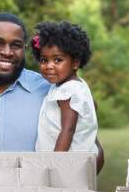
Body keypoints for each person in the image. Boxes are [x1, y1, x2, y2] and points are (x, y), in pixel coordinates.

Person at [0, 13, 104, 172]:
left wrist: (72, 173)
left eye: (16, 45)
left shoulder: (52, 89)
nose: (7, 52)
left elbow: (87, 136)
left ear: (24, 49)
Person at [32, 21, 98, 155]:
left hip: (64, 165)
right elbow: (93, 106)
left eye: (57, 60)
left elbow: (68, 130)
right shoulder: (77, 85)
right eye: (44, 60)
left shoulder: (67, 90)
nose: (49, 66)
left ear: (75, 63)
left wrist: (55, 164)